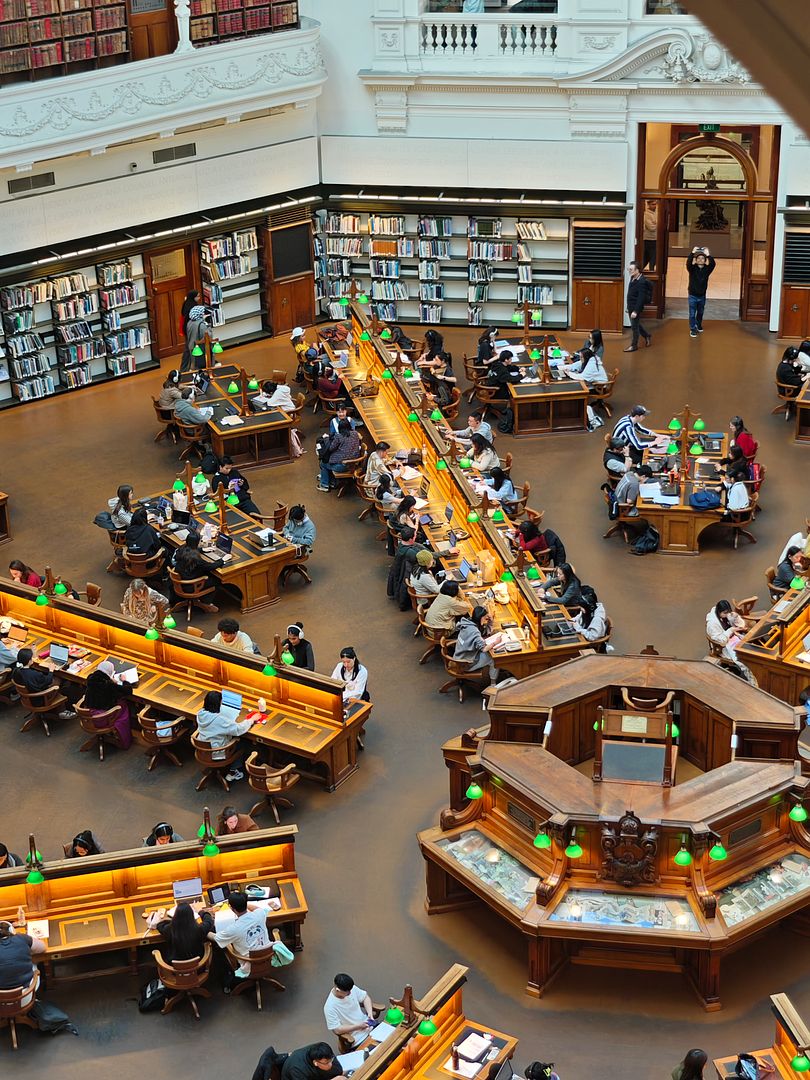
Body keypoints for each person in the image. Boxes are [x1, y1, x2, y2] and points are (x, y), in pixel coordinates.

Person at [207, 889, 271, 979]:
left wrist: (204, 929)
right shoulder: (259, 914)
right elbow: (257, 908)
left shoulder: (233, 929)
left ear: (232, 909)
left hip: (249, 963)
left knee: (226, 946)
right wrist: (243, 902)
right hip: (267, 958)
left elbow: (216, 938)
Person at [196, 689, 254, 782]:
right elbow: (239, 729)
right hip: (217, 752)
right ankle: (233, 771)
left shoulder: (200, 713)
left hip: (203, 749)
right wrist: (251, 720)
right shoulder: (220, 720)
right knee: (242, 742)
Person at [83, 661, 133, 748]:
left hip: (88, 715)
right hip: (102, 718)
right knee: (123, 705)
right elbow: (128, 691)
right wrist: (125, 681)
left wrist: (110, 681)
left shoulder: (91, 678)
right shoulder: (109, 685)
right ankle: (124, 737)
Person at [12, 649, 75, 717]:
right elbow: (48, 681)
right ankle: (61, 710)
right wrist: (51, 670)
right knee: (57, 680)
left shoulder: (16, 671)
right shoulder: (34, 675)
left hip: (28, 698)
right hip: (40, 699)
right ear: (29, 661)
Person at [705, 600, 755, 683]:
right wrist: (731, 630)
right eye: (725, 613)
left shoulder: (726, 615)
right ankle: (752, 680)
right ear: (719, 611)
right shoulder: (712, 624)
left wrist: (736, 619)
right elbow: (720, 640)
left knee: (752, 650)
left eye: (728, 612)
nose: (727, 615)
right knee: (743, 660)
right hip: (724, 645)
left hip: (734, 637)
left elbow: (741, 624)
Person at [452, 605, 504, 682]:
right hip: (465, 664)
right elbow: (484, 649)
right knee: (495, 659)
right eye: (485, 618)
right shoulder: (474, 632)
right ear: (481, 618)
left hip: (458, 657)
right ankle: (493, 683)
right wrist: (496, 642)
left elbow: (484, 632)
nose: (486, 619)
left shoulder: (467, 623)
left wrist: (490, 621)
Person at [324, 973, 375, 1048]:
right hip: (357, 1038)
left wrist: (370, 1013)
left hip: (370, 1027)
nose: (350, 993)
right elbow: (337, 1029)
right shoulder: (330, 1006)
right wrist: (357, 1026)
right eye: (347, 992)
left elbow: (365, 997)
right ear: (338, 990)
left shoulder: (350, 988)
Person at [317, 418, 362, 492]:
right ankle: (329, 480)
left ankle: (324, 485)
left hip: (342, 466)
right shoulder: (355, 434)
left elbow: (331, 448)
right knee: (329, 461)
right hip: (353, 464)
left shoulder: (339, 436)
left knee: (323, 463)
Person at [0, 920, 45, 991]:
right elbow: (42, 948)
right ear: (12, 930)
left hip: (2, 997)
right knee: (35, 962)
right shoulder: (21, 938)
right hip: (26, 991)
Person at [387, 526, 426, 607]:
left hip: (399, 574)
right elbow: (426, 558)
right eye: (415, 535)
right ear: (411, 539)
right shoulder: (411, 553)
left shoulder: (402, 544)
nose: (416, 536)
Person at [686, 247, 716, 338]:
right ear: (695, 260)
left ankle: (698, 324)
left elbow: (713, 264)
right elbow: (688, 263)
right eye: (698, 258)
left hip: (702, 296)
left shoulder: (707, 270)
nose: (700, 260)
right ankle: (692, 329)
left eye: (702, 258)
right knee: (692, 313)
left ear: (705, 260)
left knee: (700, 312)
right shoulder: (692, 269)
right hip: (692, 295)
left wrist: (708, 254)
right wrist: (692, 252)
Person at [624, 260, 653, 352]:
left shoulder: (641, 282)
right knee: (635, 324)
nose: (630, 271)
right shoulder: (632, 278)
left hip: (635, 307)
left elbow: (641, 298)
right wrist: (628, 307)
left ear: (637, 270)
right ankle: (647, 335)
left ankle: (634, 345)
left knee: (634, 328)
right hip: (631, 306)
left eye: (631, 270)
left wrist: (635, 311)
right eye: (629, 269)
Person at [642, 199, 658, 272]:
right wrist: (658, 224)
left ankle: (643, 270)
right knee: (651, 256)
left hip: (656, 238)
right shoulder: (646, 214)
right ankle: (651, 271)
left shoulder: (656, 213)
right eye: (653, 204)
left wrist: (656, 223)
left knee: (652, 256)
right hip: (649, 239)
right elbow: (651, 227)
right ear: (648, 205)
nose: (654, 206)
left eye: (655, 204)